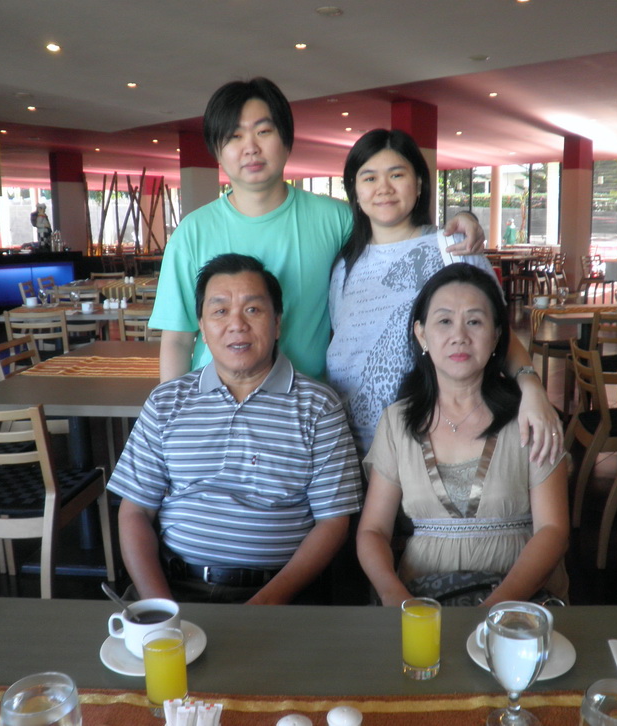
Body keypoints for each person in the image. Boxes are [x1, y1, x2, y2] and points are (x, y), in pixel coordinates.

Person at [149, 77, 485, 385]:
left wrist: (460, 223)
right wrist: (170, 413)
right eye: (235, 136)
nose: (250, 147)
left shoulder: (336, 219)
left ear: (286, 140)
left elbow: (397, 232)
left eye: (263, 131)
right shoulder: (192, 232)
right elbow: (178, 340)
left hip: (310, 407)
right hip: (218, 404)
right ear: (217, 150)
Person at [108, 253, 363, 604]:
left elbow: (333, 522)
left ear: (277, 323)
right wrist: (161, 608)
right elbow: (135, 511)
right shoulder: (166, 402)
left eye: (253, 310)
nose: (237, 325)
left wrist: (264, 605)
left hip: (281, 596)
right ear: (202, 327)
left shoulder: (319, 406)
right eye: (220, 311)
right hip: (175, 589)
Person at [328, 129, 559, 463]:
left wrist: (531, 387)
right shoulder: (344, 266)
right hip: (350, 447)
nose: (383, 188)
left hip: (430, 445)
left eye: (397, 175)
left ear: (420, 183)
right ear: (354, 189)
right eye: (369, 177)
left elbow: (495, 334)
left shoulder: (453, 248)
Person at [356, 263, 569, 607]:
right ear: (421, 334)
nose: (459, 336)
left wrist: (493, 608)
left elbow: (553, 530)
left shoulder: (531, 418)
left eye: (474, 321)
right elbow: (373, 530)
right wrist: (394, 596)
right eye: (444, 321)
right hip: (421, 596)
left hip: (518, 604)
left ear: (497, 335)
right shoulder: (397, 422)